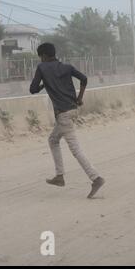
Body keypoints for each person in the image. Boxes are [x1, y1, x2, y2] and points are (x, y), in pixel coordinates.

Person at [29, 43, 105, 199]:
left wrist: (45, 82)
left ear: (43, 55)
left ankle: (96, 178)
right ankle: (59, 176)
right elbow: (84, 79)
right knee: (53, 140)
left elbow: (33, 89)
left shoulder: (42, 68)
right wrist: (79, 98)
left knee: (75, 149)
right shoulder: (67, 67)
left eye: (40, 57)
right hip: (73, 109)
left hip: (63, 114)